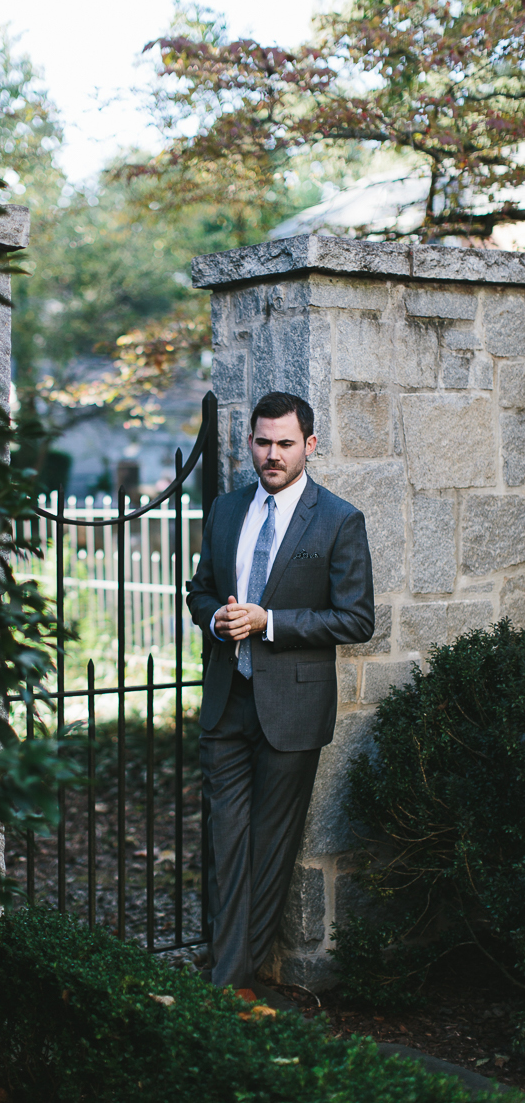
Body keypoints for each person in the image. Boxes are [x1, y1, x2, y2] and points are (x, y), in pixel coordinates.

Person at [186, 391, 374, 997]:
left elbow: (356, 620)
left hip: (292, 710)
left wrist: (271, 622)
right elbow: (200, 592)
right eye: (263, 442)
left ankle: (229, 981)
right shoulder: (225, 509)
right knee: (224, 841)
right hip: (227, 701)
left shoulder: (339, 519)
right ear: (250, 443)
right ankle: (225, 975)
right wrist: (216, 619)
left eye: (285, 443)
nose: (273, 454)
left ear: (309, 446)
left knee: (269, 851)